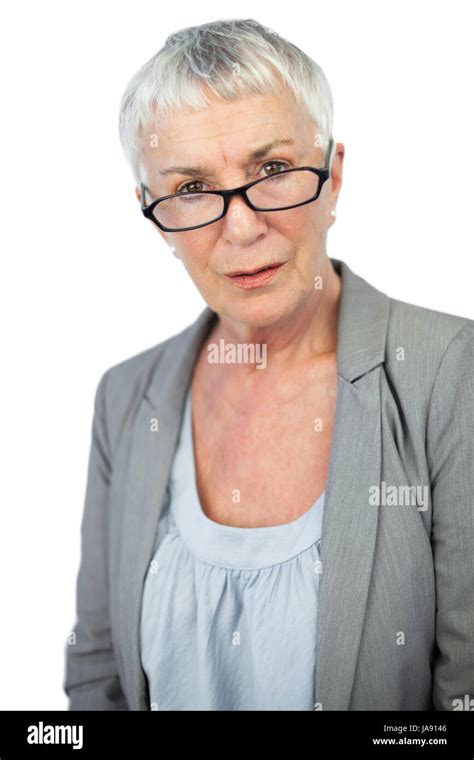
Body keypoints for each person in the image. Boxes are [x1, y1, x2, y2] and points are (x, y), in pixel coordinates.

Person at [64, 18, 474, 711]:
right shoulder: (126, 398)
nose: (243, 225)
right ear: (154, 214)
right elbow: (97, 672)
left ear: (333, 177)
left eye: (274, 170)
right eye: (192, 186)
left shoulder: (450, 374)